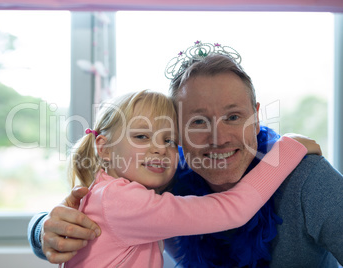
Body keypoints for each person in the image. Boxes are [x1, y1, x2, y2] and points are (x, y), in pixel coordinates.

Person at [28, 42, 343, 267]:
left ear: (257, 117)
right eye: (198, 122)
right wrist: (43, 229)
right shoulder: (164, 177)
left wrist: (287, 150)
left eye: (233, 117)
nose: (218, 138)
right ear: (178, 130)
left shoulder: (307, 179)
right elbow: (95, 217)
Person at [56, 89, 314, 268]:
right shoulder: (122, 200)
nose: (159, 148)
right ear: (104, 148)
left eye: (169, 140)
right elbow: (233, 210)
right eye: (142, 136)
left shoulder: (105, 192)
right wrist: (286, 150)